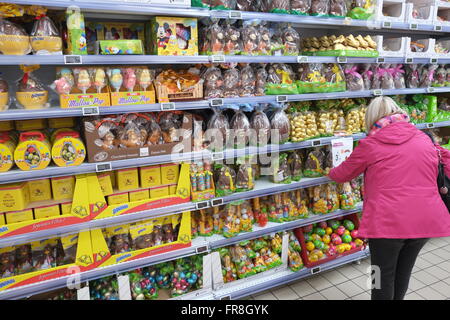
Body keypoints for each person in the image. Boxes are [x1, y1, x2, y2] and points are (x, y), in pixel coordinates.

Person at [328, 96, 450, 300]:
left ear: (371, 119)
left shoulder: (370, 144)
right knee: (403, 272)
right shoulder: (424, 137)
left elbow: (342, 174)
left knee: (379, 276)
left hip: (387, 224)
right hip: (423, 221)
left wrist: (328, 172)